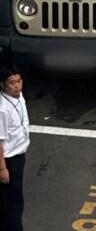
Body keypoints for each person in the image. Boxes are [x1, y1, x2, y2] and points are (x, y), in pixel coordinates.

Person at [0, 67, 28, 231]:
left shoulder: (18, 96)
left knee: (15, 199)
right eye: (12, 83)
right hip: (9, 160)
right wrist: (3, 168)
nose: (17, 86)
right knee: (12, 202)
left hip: (19, 156)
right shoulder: (2, 109)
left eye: (19, 81)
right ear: (3, 85)